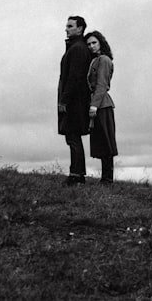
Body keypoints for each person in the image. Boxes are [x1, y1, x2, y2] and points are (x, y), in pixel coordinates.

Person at [58, 15, 92, 185]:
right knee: (73, 137)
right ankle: (78, 174)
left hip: (74, 101)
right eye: (67, 25)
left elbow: (74, 77)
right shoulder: (75, 47)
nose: (66, 28)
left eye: (70, 26)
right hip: (75, 100)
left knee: (73, 137)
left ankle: (76, 175)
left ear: (80, 29)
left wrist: (64, 100)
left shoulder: (77, 48)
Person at [85, 30, 118, 184]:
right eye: (89, 44)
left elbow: (101, 85)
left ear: (101, 43)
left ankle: (107, 178)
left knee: (106, 141)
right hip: (98, 103)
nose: (91, 46)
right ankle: (105, 178)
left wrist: (94, 106)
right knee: (101, 141)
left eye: (94, 43)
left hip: (102, 104)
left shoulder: (103, 60)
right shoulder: (95, 60)